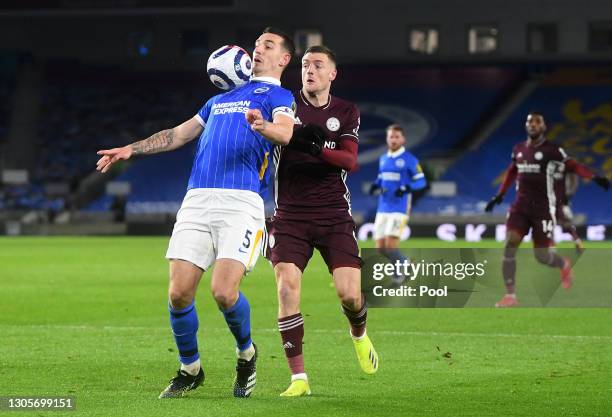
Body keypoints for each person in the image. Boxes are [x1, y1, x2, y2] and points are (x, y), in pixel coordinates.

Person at [96, 27, 296, 398]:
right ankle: (190, 368)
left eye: (267, 46)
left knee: (223, 292)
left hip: (241, 203)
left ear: (284, 59)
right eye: (255, 45)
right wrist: (131, 149)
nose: (258, 50)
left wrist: (261, 125)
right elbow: (179, 134)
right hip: (197, 200)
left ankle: (247, 353)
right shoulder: (218, 99)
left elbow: (285, 134)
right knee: (178, 294)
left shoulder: (278, 96)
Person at [264, 45, 378, 397]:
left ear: (332, 73)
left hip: (333, 215)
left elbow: (350, 161)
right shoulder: (285, 105)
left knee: (349, 295)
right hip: (290, 215)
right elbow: (269, 134)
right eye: (304, 65)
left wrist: (317, 149)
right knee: (286, 288)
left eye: (317, 65)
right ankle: (299, 378)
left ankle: (358, 333)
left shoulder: (346, 110)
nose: (309, 70)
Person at [485, 111, 609, 307]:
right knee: (510, 244)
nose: (533, 125)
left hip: (543, 209)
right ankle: (511, 296)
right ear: (526, 126)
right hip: (520, 207)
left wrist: (594, 177)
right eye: (530, 122)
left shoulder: (553, 150)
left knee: (541, 256)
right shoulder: (518, 149)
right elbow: (512, 170)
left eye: (537, 122)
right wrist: (499, 195)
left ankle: (563, 263)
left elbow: (573, 166)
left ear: (543, 127)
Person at [369, 124, 427, 277]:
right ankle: (407, 263)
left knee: (390, 245)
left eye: (396, 137)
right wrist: (375, 185)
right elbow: (382, 177)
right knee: (380, 248)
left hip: (400, 208)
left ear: (403, 139)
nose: (393, 140)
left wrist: (406, 188)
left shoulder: (410, 160)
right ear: (387, 139)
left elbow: (421, 182)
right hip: (383, 207)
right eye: (390, 137)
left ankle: (398, 276)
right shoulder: (383, 159)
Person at [556, 172, 584, 253]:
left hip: (560, 205)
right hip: (561, 205)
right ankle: (578, 242)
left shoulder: (567, 176)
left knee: (566, 225)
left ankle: (578, 243)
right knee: (567, 225)